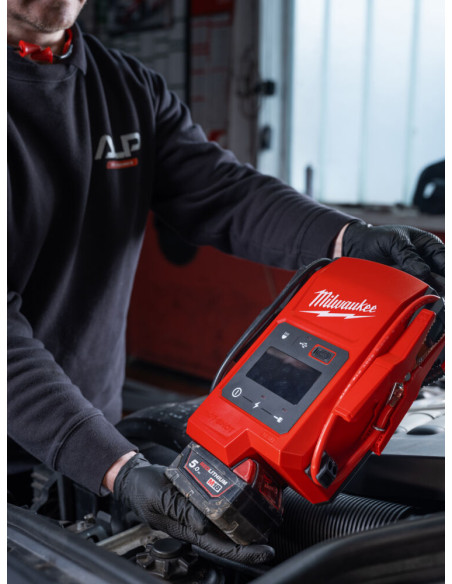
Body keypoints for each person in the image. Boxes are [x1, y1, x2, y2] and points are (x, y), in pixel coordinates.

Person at [7, 0, 445, 566]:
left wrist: (346, 238)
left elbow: (223, 192)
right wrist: (119, 468)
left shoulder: (129, 89)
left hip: (97, 438)